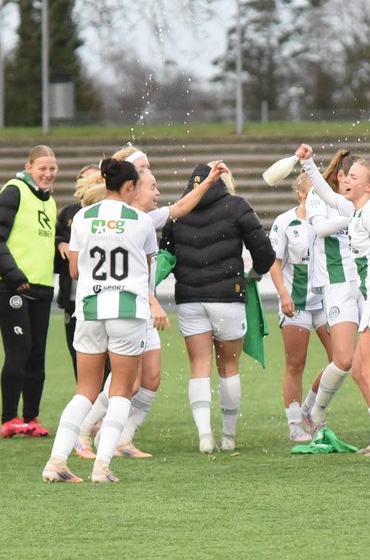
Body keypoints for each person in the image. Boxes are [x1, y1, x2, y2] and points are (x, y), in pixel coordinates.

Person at [73, 160, 232, 459]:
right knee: (127, 382)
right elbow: (137, 275)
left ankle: (122, 439)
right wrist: (153, 300)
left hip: (137, 310)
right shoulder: (129, 220)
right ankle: (84, 432)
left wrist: (209, 181)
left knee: (151, 379)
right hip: (125, 307)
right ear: (132, 189)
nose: (158, 192)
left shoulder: (146, 219)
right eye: (152, 186)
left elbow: (181, 207)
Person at [41, 158, 158, 484]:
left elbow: (74, 271)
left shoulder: (82, 217)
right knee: (121, 392)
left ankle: (57, 462)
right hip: (127, 311)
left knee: (84, 391)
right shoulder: (141, 221)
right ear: (130, 186)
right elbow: (147, 269)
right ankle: (102, 467)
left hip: (90, 308)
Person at [162, 162, 280, 453]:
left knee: (199, 367)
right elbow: (264, 252)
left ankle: (204, 435)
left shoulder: (178, 210)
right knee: (229, 367)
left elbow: (166, 254)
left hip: (190, 299)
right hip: (228, 297)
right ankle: (228, 437)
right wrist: (254, 274)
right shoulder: (237, 206)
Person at [298, 144, 370, 456]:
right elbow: (328, 196)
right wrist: (308, 165)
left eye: (353, 176)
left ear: (369, 186)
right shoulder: (357, 208)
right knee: (360, 369)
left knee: (368, 369)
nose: (345, 180)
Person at [0, 145, 59, 439]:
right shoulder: (14, 190)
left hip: (40, 286)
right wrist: (13, 274)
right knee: (20, 349)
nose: (48, 173)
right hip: (11, 286)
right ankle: (8, 418)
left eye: (52, 168)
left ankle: (31, 418)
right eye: (42, 168)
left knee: (36, 354)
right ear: (29, 167)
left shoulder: (49, 202)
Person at [303, 149, 363, 438]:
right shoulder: (319, 196)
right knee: (344, 359)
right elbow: (320, 228)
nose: (354, 183)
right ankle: (313, 409)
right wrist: (352, 216)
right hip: (335, 282)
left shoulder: (359, 199)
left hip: (363, 281)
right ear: (340, 176)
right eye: (351, 177)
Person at [270, 173, 333, 443]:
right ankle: (295, 424)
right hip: (295, 303)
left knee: (341, 360)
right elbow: (274, 262)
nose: (316, 197)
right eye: (311, 192)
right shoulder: (285, 222)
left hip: (325, 301)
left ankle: (309, 408)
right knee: (295, 363)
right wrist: (283, 293)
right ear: (301, 194)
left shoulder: (329, 220)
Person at [55, 164, 100, 379]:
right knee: (77, 353)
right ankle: (87, 399)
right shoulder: (69, 213)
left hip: (100, 294)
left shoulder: (107, 213)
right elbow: (55, 237)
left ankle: (105, 403)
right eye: (85, 180)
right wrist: (59, 243)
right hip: (72, 296)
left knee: (104, 355)